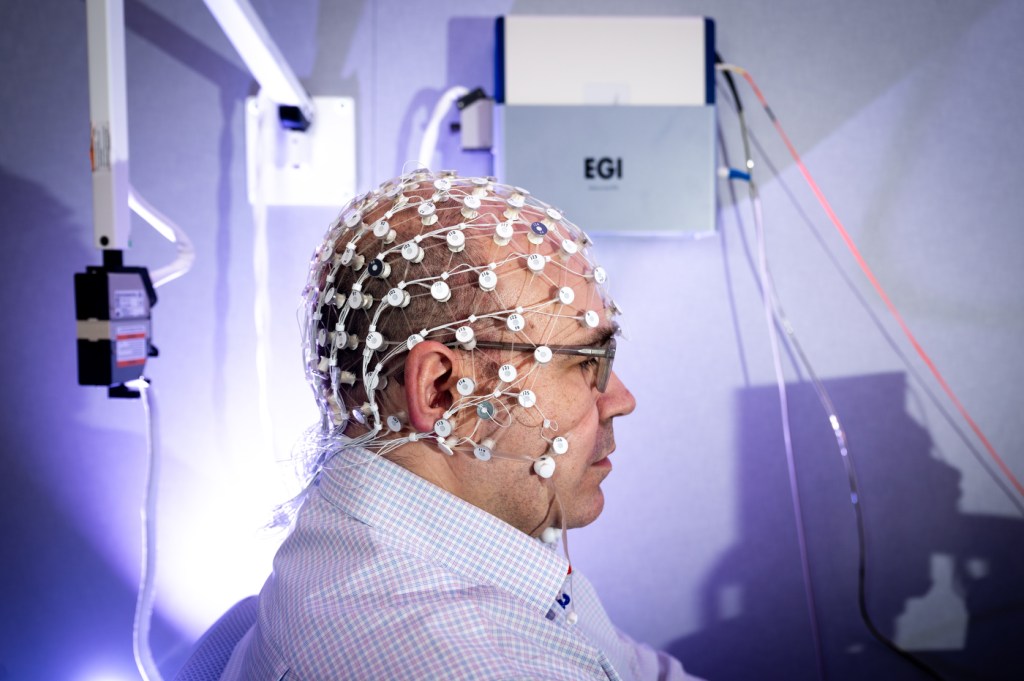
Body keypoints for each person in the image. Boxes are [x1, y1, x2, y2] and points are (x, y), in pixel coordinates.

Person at [222, 170, 700, 680]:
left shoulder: (429, 547)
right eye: (586, 361)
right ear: (442, 391)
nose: (621, 400)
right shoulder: (472, 663)